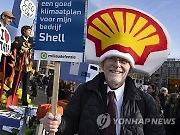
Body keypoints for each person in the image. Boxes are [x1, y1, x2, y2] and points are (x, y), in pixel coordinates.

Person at [42, 7, 168, 135]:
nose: (117, 65)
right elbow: (70, 123)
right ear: (103, 63)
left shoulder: (145, 101)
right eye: (112, 58)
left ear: (130, 68)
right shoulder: (84, 92)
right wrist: (58, 124)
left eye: (123, 61)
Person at [10, 25, 33, 106]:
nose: (30, 32)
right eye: (28, 30)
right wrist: (21, 47)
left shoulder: (31, 40)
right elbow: (13, 45)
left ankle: (24, 100)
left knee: (26, 84)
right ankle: (12, 96)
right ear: (24, 31)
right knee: (16, 81)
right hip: (20, 65)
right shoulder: (18, 39)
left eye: (30, 31)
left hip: (28, 65)